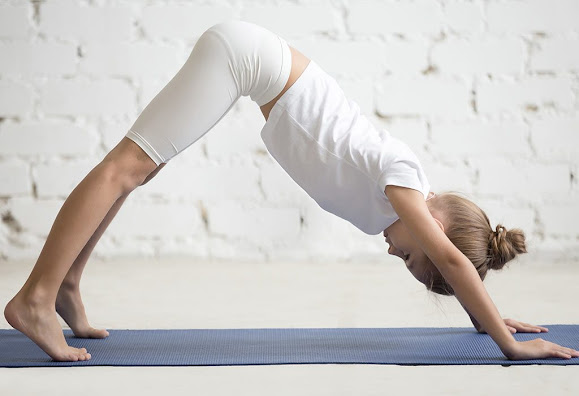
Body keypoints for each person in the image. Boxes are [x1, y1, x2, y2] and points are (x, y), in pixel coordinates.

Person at [4, 20, 578, 363]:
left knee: (141, 169)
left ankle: (67, 287)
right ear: (437, 221)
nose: (391, 250)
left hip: (247, 65)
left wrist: (484, 320)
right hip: (244, 58)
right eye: (407, 253)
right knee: (126, 166)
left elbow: (450, 259)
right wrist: (505, 339)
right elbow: (451, 259)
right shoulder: (404, 178)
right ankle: (34, 299)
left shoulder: (399, 204)